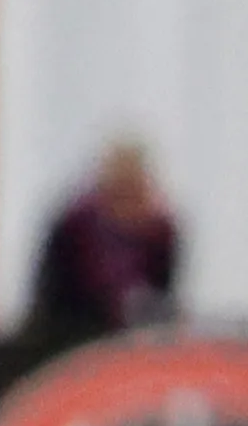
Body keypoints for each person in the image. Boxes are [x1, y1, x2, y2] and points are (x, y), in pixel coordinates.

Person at [24, 140, 181, 347]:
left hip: (131, 339)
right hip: (71, 333)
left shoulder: (160, 232)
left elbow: (163, 290)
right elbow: (53, 291)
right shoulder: (76, 224)